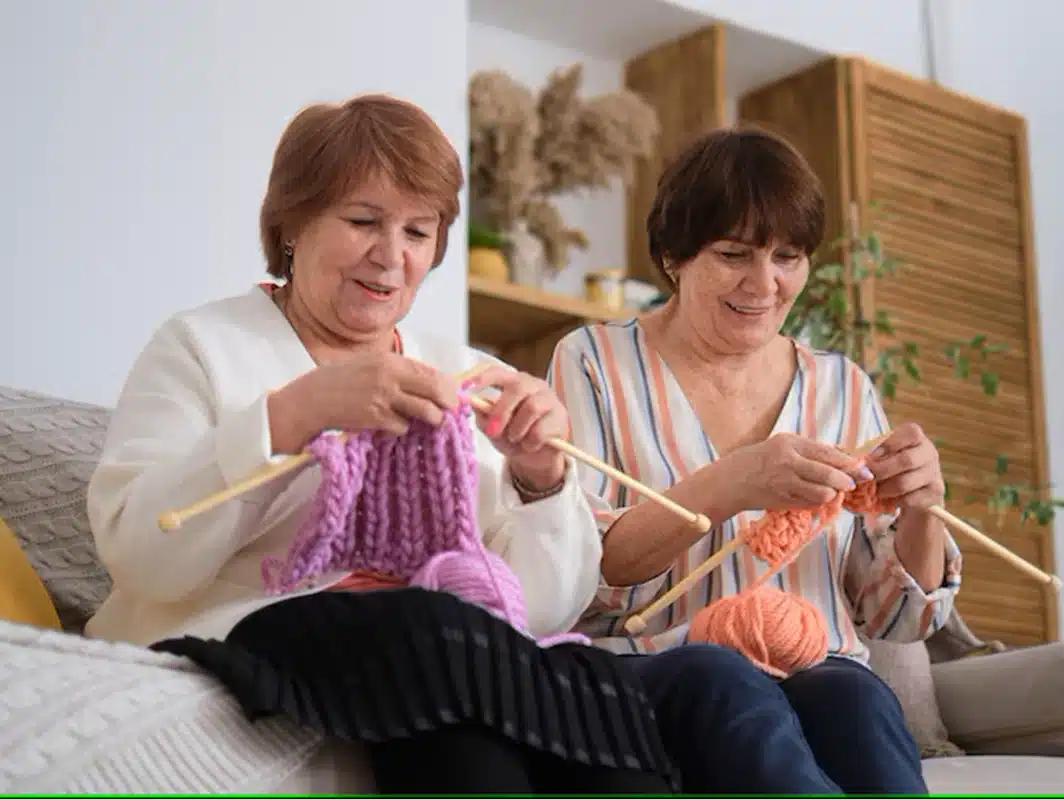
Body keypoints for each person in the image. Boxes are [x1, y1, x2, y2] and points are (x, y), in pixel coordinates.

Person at [83, 93, 678, 795]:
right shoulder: (200, 345)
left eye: (418, 232)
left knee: (592, 682)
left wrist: (542, 479)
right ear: (292, 224)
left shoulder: (467, 376)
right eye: (363, 221)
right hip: (258, 630)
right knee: (436, 638)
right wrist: (295, 414)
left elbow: (545, 611)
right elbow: (143, 555)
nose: (391, 256)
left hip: (441, 655)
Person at [547, 127, 964, 794]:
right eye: (733, 254)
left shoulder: (842, 387)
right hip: (657, 663)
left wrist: (924, 507)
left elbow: (897, 618)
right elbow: (585, 576)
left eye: (788, 257)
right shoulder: (595, 361)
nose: (764, 283)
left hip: (818, 665)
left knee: (857, 700)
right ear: (673, 256)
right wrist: (733, 482)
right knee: (726, 679)